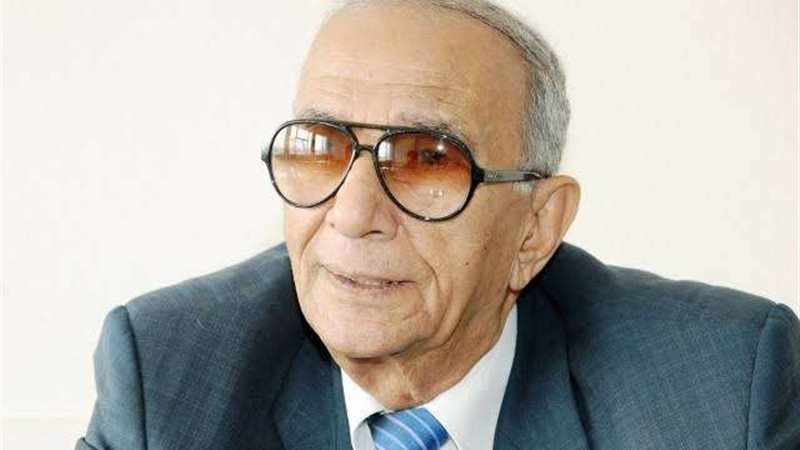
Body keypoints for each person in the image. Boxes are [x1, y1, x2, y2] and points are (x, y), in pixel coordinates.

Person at [76, 1, 799, 449]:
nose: (352, 214)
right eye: (322, 147)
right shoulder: (169, 378)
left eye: (427, 159)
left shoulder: (718, 393)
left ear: (535, 229)